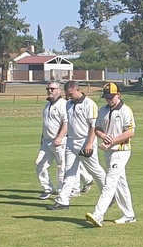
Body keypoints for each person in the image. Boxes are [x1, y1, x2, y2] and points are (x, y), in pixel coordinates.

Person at [48, 81, 107, 210]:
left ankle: (109, 193)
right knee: (69, 171)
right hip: (70, 142)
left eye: (70, 94)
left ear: (77, 90)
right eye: (66, 94)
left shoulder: (89, 104)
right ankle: (63, 201)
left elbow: (93, 126)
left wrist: (89, 143)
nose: (68, 97)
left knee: (94, 170)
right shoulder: (68, 104)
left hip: (85, 141)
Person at [85, 83, 137, 227]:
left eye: (111, 97)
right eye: (107, 97)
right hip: (108, 152)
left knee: (110, 182)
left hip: (121, 151)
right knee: (120, 183)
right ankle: (129, 215)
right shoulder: (103, 110)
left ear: (118, 95)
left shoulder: (125, 110)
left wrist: (113, 140)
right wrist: (103, 136)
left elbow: (130, 132)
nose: (109, 100)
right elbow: (97, 128)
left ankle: (98, 215)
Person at [34, 82, 67, 200]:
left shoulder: (63, 104)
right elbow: (45, 124)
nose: (49, 91)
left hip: (59, 141)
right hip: (46, 141)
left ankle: (62, 191)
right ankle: (47, 188)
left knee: (61, 167)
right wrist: (42, 139)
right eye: (48, 89)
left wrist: (59, 137)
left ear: (59, 90)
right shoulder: (47, 105)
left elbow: (66, 123)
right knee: (39, 164)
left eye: (52, 89)